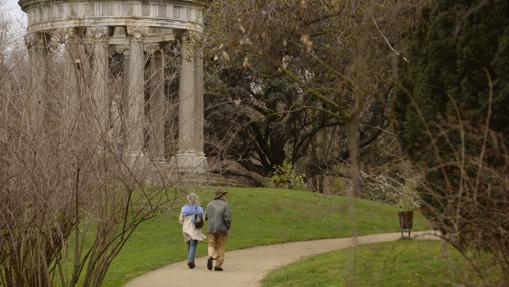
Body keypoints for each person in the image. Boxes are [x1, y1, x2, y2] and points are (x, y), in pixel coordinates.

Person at [205, 188, 231, 271]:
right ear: (221, 195)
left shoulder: (209, 204)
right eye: (224, 195)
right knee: (221, 245)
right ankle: (218, 265)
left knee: (211, 244)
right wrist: (228, 226)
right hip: (222, 229)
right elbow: (227, 218)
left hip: (211, 228)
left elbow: (205, 217)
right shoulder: (225, 205)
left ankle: (211, 256)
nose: (226, 196)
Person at [179, 192, 206, 269]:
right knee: (193, 245)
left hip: (185, 229)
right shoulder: (199, 208)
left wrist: (185, 222)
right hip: (194, 229)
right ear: (196, 199)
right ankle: (190, 261)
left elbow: (180, 221)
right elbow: (202, 220)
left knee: (189, 245)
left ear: (188, 199)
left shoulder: (184, 209)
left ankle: (191, 261)